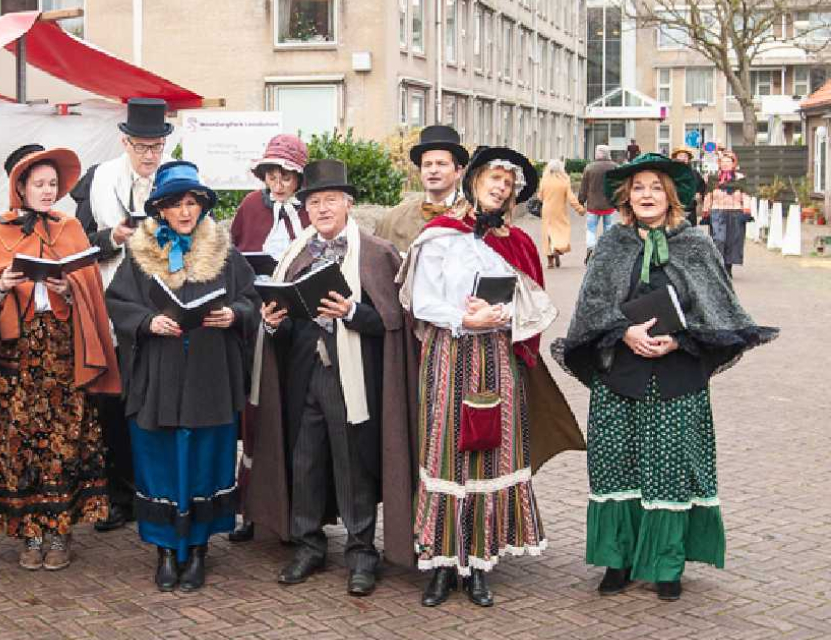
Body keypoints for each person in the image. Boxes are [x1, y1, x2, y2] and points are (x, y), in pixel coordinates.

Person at [552, 153, 777, 602]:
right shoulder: (611, 247)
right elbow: (591, 312)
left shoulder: (696, 245)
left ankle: (667, 564)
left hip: (677, 376)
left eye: (656, 187)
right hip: (620, 375)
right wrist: (624, 332)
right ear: (626, 198)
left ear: (671, 197)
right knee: (616, 465)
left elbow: (719, 312)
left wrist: (679, 340)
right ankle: (618, 559)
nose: (647, 195)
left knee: (672, 470)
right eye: (638, 188)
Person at [399, 147, 583, 608]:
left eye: (509, 183)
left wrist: (500, 316)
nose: (500, 187)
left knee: (488, 453)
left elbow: (533, 306)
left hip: (497, 359)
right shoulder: (439, 235)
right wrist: (465, 319)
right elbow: (420, 301)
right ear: (474, 179)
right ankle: (441, 565)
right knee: (444, 451)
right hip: (448, 353)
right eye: (493, 178)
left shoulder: (518, 243)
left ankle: (479, 562)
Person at [246, 159, 416, 598]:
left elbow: (394, 322)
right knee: (304, 462)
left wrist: (354, 313)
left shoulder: (377, 253)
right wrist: (271, 320)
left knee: (351, 463)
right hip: (304, 374)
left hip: (352, 378)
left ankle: (361, 554)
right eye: (314, 202)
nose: (322, 209)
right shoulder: (294, 255)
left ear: (348, 204)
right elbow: (283, 326)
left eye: (330, 201)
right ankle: (308, 545)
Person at [104, 161, 260, 593]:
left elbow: (252, 300)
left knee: (206, 460)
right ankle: (165, 551)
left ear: (203, 206)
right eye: (176, 204)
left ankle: (198, 550)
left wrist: (235, 313)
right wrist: (147, 322)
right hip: (159, 377)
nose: (185, 212)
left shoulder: (225, 254)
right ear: (162, 210)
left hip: (210, 376)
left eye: (192, 203)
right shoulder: (139, 255)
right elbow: (116, 303)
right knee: (159, 460)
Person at [0, 145, 121, 571]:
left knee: (64, 437)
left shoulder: (70, 227)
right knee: (16, 440)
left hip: (60, 348)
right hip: (14, 350)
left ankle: (59, 533)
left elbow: (90, 293)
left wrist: (69, 291)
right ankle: (29, 533)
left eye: (52, 184)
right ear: (20, 187)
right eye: (38, 183)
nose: (46, 191)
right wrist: (1, 286)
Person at [71, 97, 173, 533]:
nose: (149, 156)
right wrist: (111, 236)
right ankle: (119, 495)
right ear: (125, 142)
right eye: (141, 147)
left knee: (153, 398)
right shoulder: (98, 181)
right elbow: (76, 243)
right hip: (110, 302)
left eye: (156, 147)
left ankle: (155, 490)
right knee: (111, 400)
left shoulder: (175, 181)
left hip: (161, 304)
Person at [226, 133, 311, 543]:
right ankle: (251, 510)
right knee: (256, 414)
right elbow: (235, 257)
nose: (278, 184)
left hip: (303, 325)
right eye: (272, 175)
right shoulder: (249, 207)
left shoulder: (311, 213)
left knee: (295, 414)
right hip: (259, 322)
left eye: (287, 177)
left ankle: (297, 512)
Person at [376, 125, 469, 254]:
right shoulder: (392, 221)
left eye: (441, 164)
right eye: (427, 164)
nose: (433, 170)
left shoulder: (474, 219)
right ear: (420, 171)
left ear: (458, 171)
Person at [703, 151, 751, 278]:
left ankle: (728, 266)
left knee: (733, 241)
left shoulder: (740, 179)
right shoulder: (714, 178)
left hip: (735, 212)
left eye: (728, 162)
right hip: (717, 211)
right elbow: (708, 196)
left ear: (733, 164)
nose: (725, 165)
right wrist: (705, 211)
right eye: (723, 162)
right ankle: (719, 265)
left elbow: (746, 195)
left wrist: (746, 210)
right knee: (718, 239)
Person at [539, 159, 586, 268]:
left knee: (547, 234)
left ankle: (550, 261)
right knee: (562, 230)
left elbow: (540, 197)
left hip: (546, 210)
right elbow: (571, 198)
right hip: (559, 210)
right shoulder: (564, 181)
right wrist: (580, 209)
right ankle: (557, 248)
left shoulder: (544, 180)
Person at [579, 144, 619, 264]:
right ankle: (607, 250)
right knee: (608, 228)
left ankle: (591, 247)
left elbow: (584, 187)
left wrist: (581, 200)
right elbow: (619, 185)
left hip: (593, 205)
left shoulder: (590, 168)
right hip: (609, 204)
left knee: (591, 229)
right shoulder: (615, 167)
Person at [670, 147, 707, 227]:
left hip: (690, 209)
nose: (683, 158)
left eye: (685, 156)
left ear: (688, 159)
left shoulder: (694, 173)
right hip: (674, 209)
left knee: (690, 234)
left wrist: (699, 193)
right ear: (675, 158)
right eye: (680, 156)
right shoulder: (670, 173)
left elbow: (702, 186)